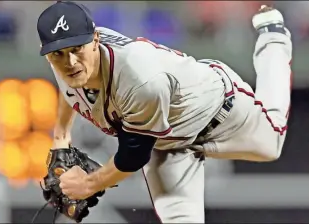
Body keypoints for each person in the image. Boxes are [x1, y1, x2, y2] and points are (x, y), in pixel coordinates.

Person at [37, 2, 293, 223]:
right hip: (165, 144)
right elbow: (68, 90)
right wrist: (61, 137)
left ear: (94, 40)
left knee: (272, 144)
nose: (69, 61)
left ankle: (273, 40)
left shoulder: (140, 79)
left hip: (219, 110)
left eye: (76, 49)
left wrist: (89, 184)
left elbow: (133, 157)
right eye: (58, 53)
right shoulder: (66, 62)